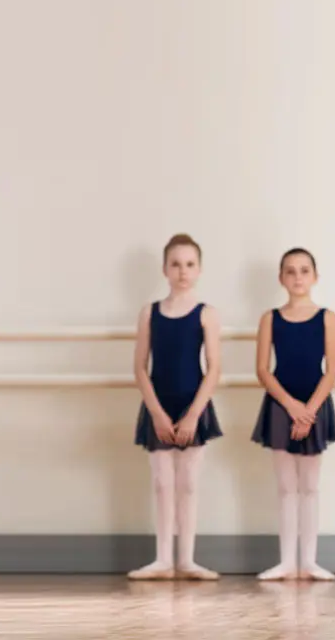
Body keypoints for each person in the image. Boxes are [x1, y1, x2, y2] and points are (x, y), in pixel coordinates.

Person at [127, 233, 223, 581]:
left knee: (189, 484)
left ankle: (187, 559)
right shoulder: (149, 313)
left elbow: (213, 367)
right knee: (161, 483)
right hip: (158, 405)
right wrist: (156, 412)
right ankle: (163, 559)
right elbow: (140, 366)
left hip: (193, 406)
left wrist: (194, 414)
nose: (183, 271)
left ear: (198, 269)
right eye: (176, 264)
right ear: (165, 269)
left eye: (190, 264)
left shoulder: (206, 314)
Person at [251, 246, 335, 581]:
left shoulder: (327, 318)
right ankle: (287, 561)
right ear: (281, 278)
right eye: (290, 271)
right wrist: (291, 407)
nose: (297, 277)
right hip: (280, 406)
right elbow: (263, 369)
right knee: (286, 487)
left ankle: (309, 561)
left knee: (310, 487)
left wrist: (309, 410)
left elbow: (331, 370)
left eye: (304, 270)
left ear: (315, 277)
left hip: (315, 406)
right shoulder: (270, 319)